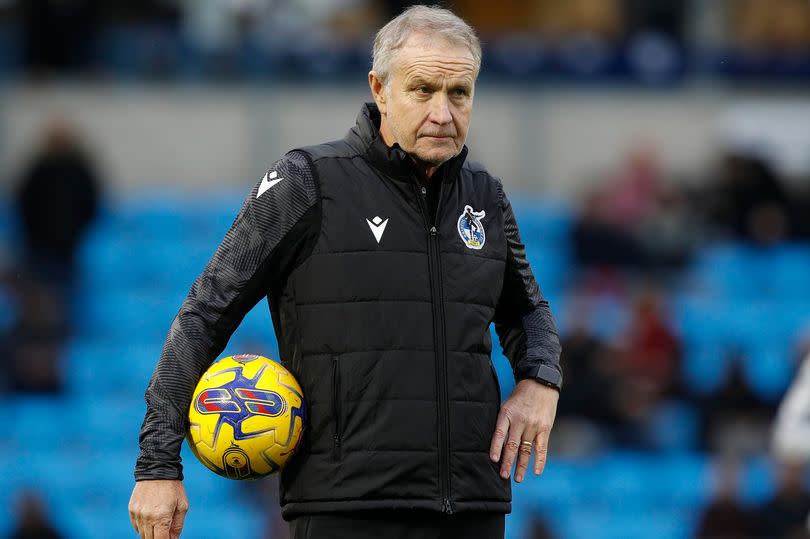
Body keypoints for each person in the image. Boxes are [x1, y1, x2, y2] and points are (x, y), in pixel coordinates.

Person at [129, 6, 563, 539]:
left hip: (473, 506)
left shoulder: (485, 196)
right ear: (379, 89)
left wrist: (540, 379)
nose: (443, 113)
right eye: (423, 90)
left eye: (459, 93)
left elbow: (528, 311)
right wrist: (157, 464)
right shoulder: (305, 182)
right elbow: (204, 314)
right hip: (346, 507)